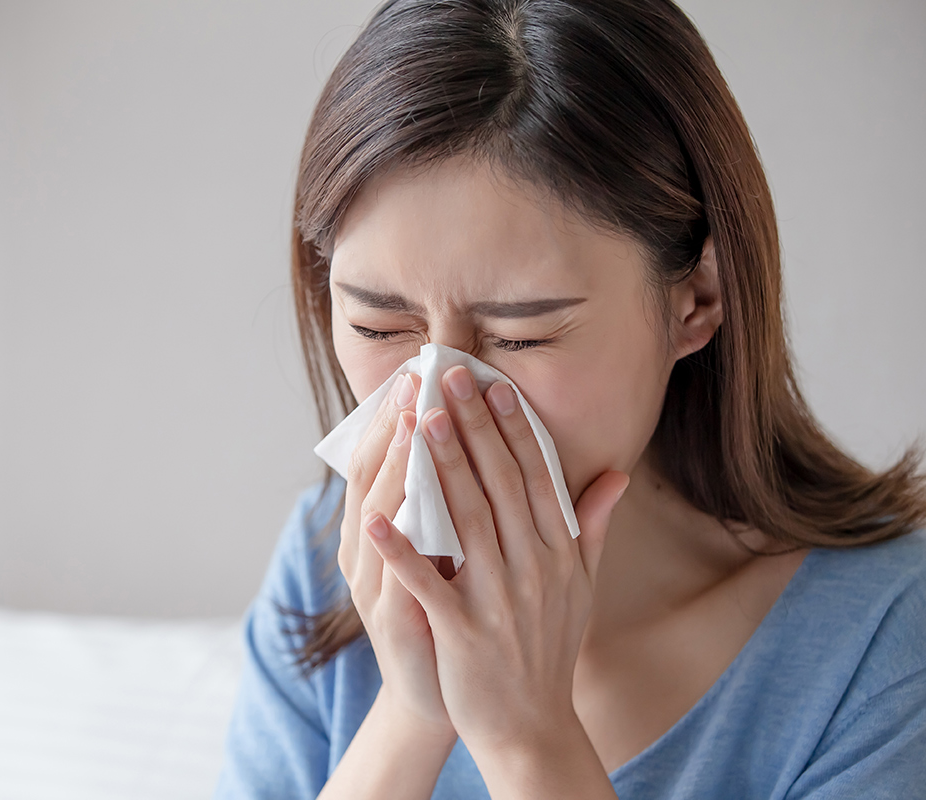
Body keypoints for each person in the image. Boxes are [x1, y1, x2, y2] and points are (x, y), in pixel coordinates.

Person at [212, 0, 926, 797]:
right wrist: (414, 714)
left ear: (696, 298)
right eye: (380, 325)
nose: (442, 407)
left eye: (522, 338)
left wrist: (527, 737)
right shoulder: (324, 569)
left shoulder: (885, 644)